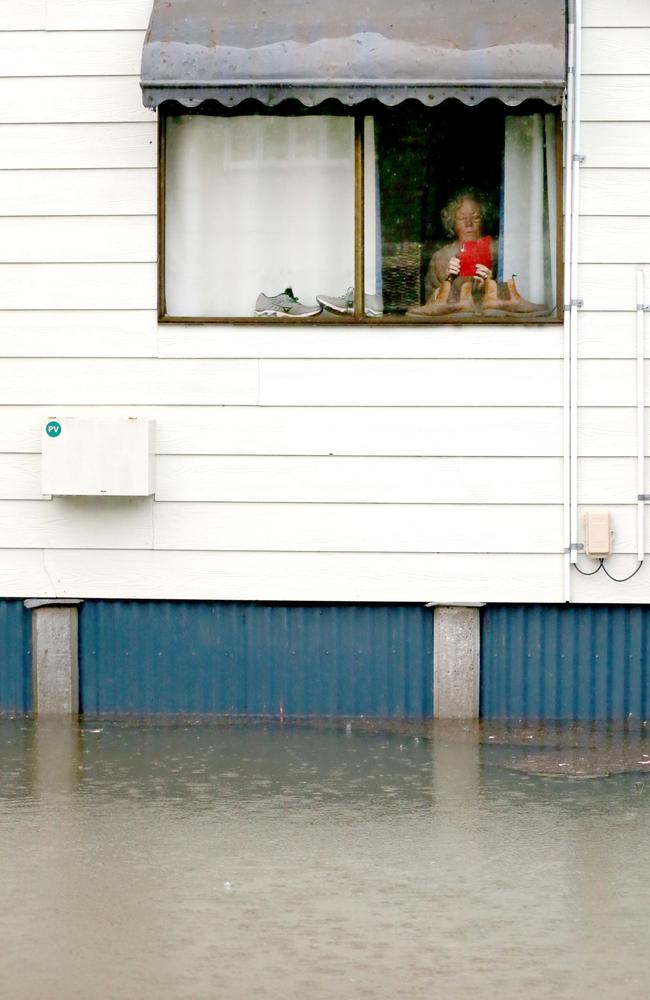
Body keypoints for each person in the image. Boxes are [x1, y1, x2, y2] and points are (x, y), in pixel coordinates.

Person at [424, 190, 496, 302]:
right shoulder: (440, 258)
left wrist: (489, 285)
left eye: (476, 217)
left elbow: (508, 300)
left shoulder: (496, 253)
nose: (469, 224)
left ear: (484, 220)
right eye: (461, 218)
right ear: (452, 222)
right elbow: (430, 304)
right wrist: (447, 281)